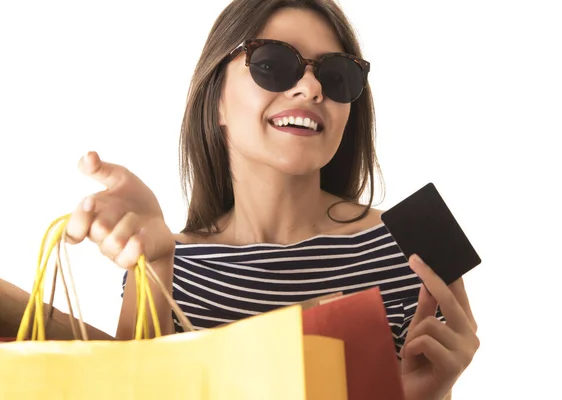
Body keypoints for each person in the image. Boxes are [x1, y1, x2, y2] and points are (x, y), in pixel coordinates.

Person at [65, 0, 480, 398]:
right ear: (216, 100)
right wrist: (153, 265)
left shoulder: (420, 240)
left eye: (337, 76)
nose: (312, 88)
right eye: (273, 64)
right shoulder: (167, 263)